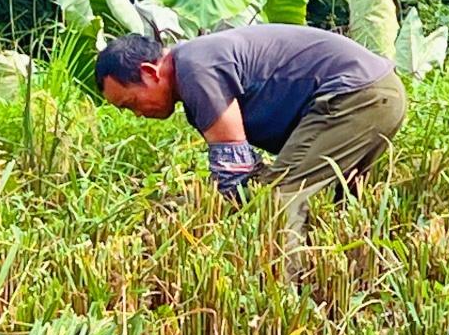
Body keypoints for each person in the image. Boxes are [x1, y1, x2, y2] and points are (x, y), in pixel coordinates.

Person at [95, 24, 406, 254]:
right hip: (378, 93)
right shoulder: (195, 65)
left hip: (355, 96)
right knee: (335, 198)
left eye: (131, 103)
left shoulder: (195, 69)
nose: (136, 114)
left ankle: (284, 296)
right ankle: (341, 277)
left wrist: (186, 217)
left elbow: (235, 174)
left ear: (150, 73)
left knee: (282, 197)